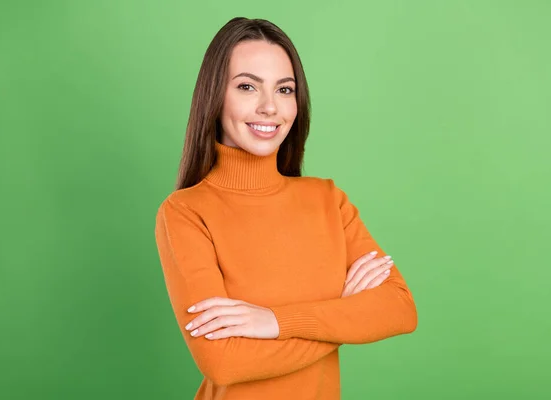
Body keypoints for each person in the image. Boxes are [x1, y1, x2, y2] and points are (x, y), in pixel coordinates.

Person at [154, 17, 417, 400]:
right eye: (247, 86)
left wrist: (275, 322)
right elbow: (224, 362)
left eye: (284, 89)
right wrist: (343, 315)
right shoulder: (185, 212)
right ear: (215, 95)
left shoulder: (328, 200)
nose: (269, 107)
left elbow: (399, 309)